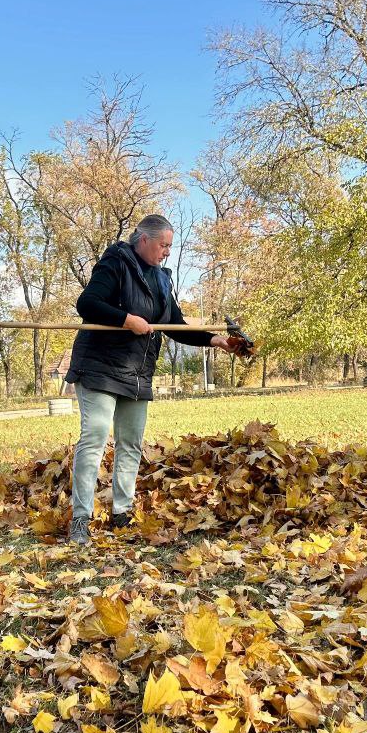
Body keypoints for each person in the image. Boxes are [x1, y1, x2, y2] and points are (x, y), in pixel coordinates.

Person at [64, 214, 239, 544]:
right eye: (164, 245)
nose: (167, 252)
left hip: (136, 372)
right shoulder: (115, 263)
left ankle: (121, 513)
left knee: (130, 443)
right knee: (95, 438)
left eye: (170, 246)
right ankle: (80, 519)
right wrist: (127, 319)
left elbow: (175, 322)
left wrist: (215, 340)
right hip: (99, 368)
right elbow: (86, 304)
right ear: (143, 240)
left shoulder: (161, 279)